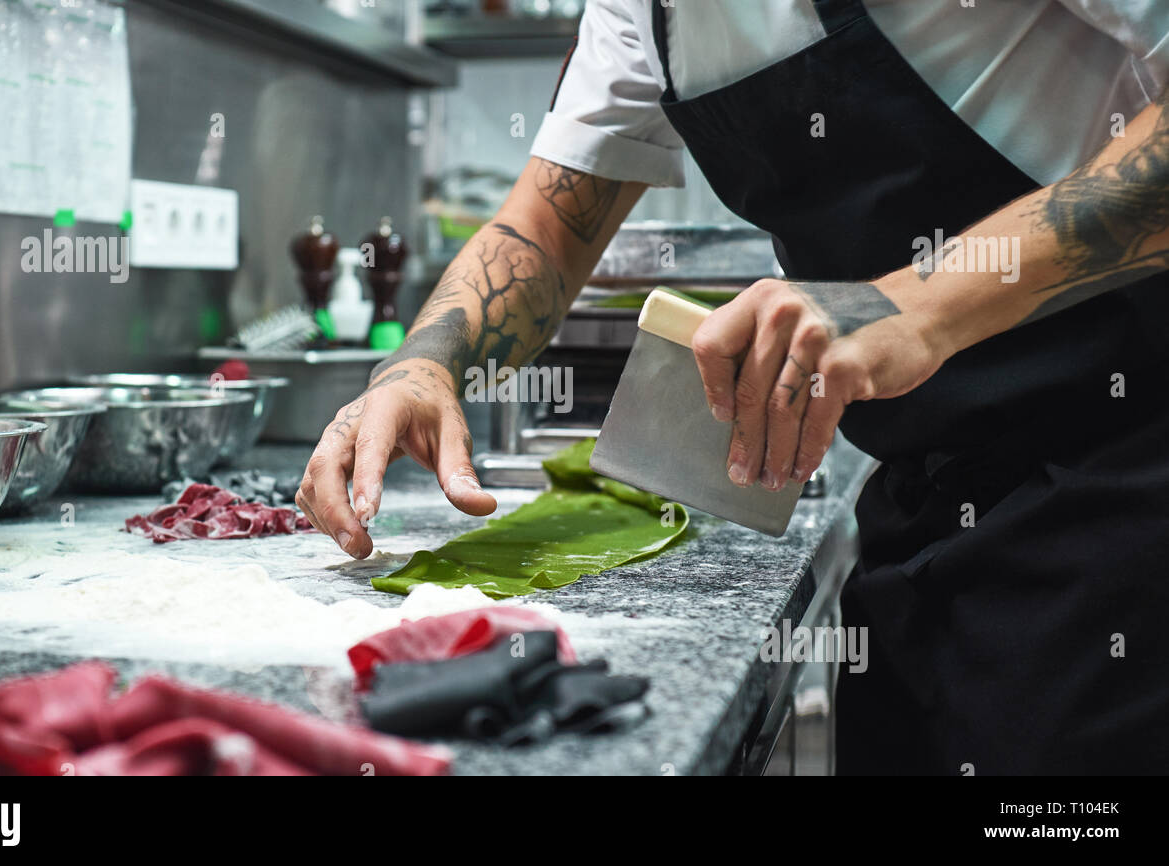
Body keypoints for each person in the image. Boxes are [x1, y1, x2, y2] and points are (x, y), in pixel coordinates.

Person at [297, 0, 1169, 774]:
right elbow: (546, 225)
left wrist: (916, 307)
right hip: (929, 507)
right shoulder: (639, 15)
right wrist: (422, 363)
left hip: (1128, 487)